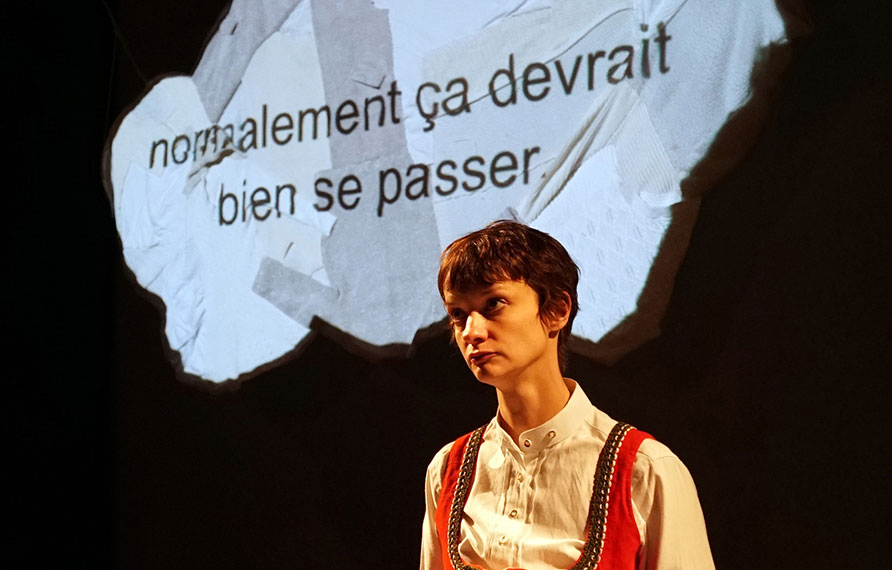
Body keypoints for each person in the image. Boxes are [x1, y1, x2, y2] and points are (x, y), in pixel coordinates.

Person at [420, 221, 714, 570]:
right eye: (458, 314)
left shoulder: (645, 469)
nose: (472, 331)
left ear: (557, 310)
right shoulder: (447, 470)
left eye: (493, 304)